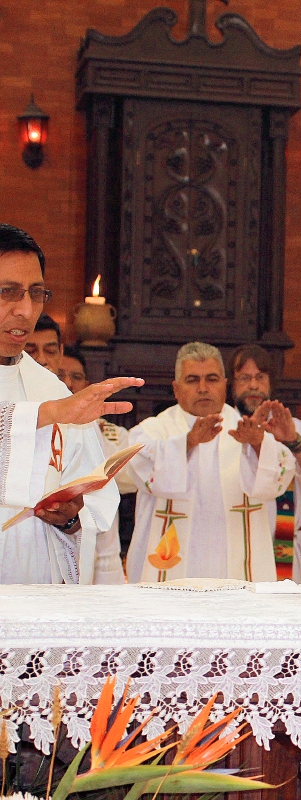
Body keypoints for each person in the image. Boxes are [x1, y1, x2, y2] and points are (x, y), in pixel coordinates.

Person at [0, 224, 141, 584]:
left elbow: (92, 500)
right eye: (8, 292)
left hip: (40, 581)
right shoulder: (58, 402)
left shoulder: (50, 387)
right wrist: (48, 414)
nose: (26, 310)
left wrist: (71, 516)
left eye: (36, 293)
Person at [126, 342, 296, 582]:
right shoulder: (154, 431)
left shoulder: (246, 430)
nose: (203, 388)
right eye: (193, 380)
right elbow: (140, 468)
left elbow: (277, 480)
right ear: (176, 389)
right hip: (169, 578)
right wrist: (187, 443)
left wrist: (258, 445)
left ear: (225, 386)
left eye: (212, 379)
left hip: (237, 573)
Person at [227, 344, 301, 582]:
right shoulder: (220, 430)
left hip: (281, 550)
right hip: (231, 547)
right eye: (244, 377)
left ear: (271, 382)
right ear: (231, 384)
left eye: (260, 377)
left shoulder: (298, 428)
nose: (253, 385)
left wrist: (293, 442)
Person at [58, 344, 137, 584]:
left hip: (102, 546)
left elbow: (131, 479)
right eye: (60, 376)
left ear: (87, 384)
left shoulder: (110, 433)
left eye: (76, 377)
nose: (69, 383)